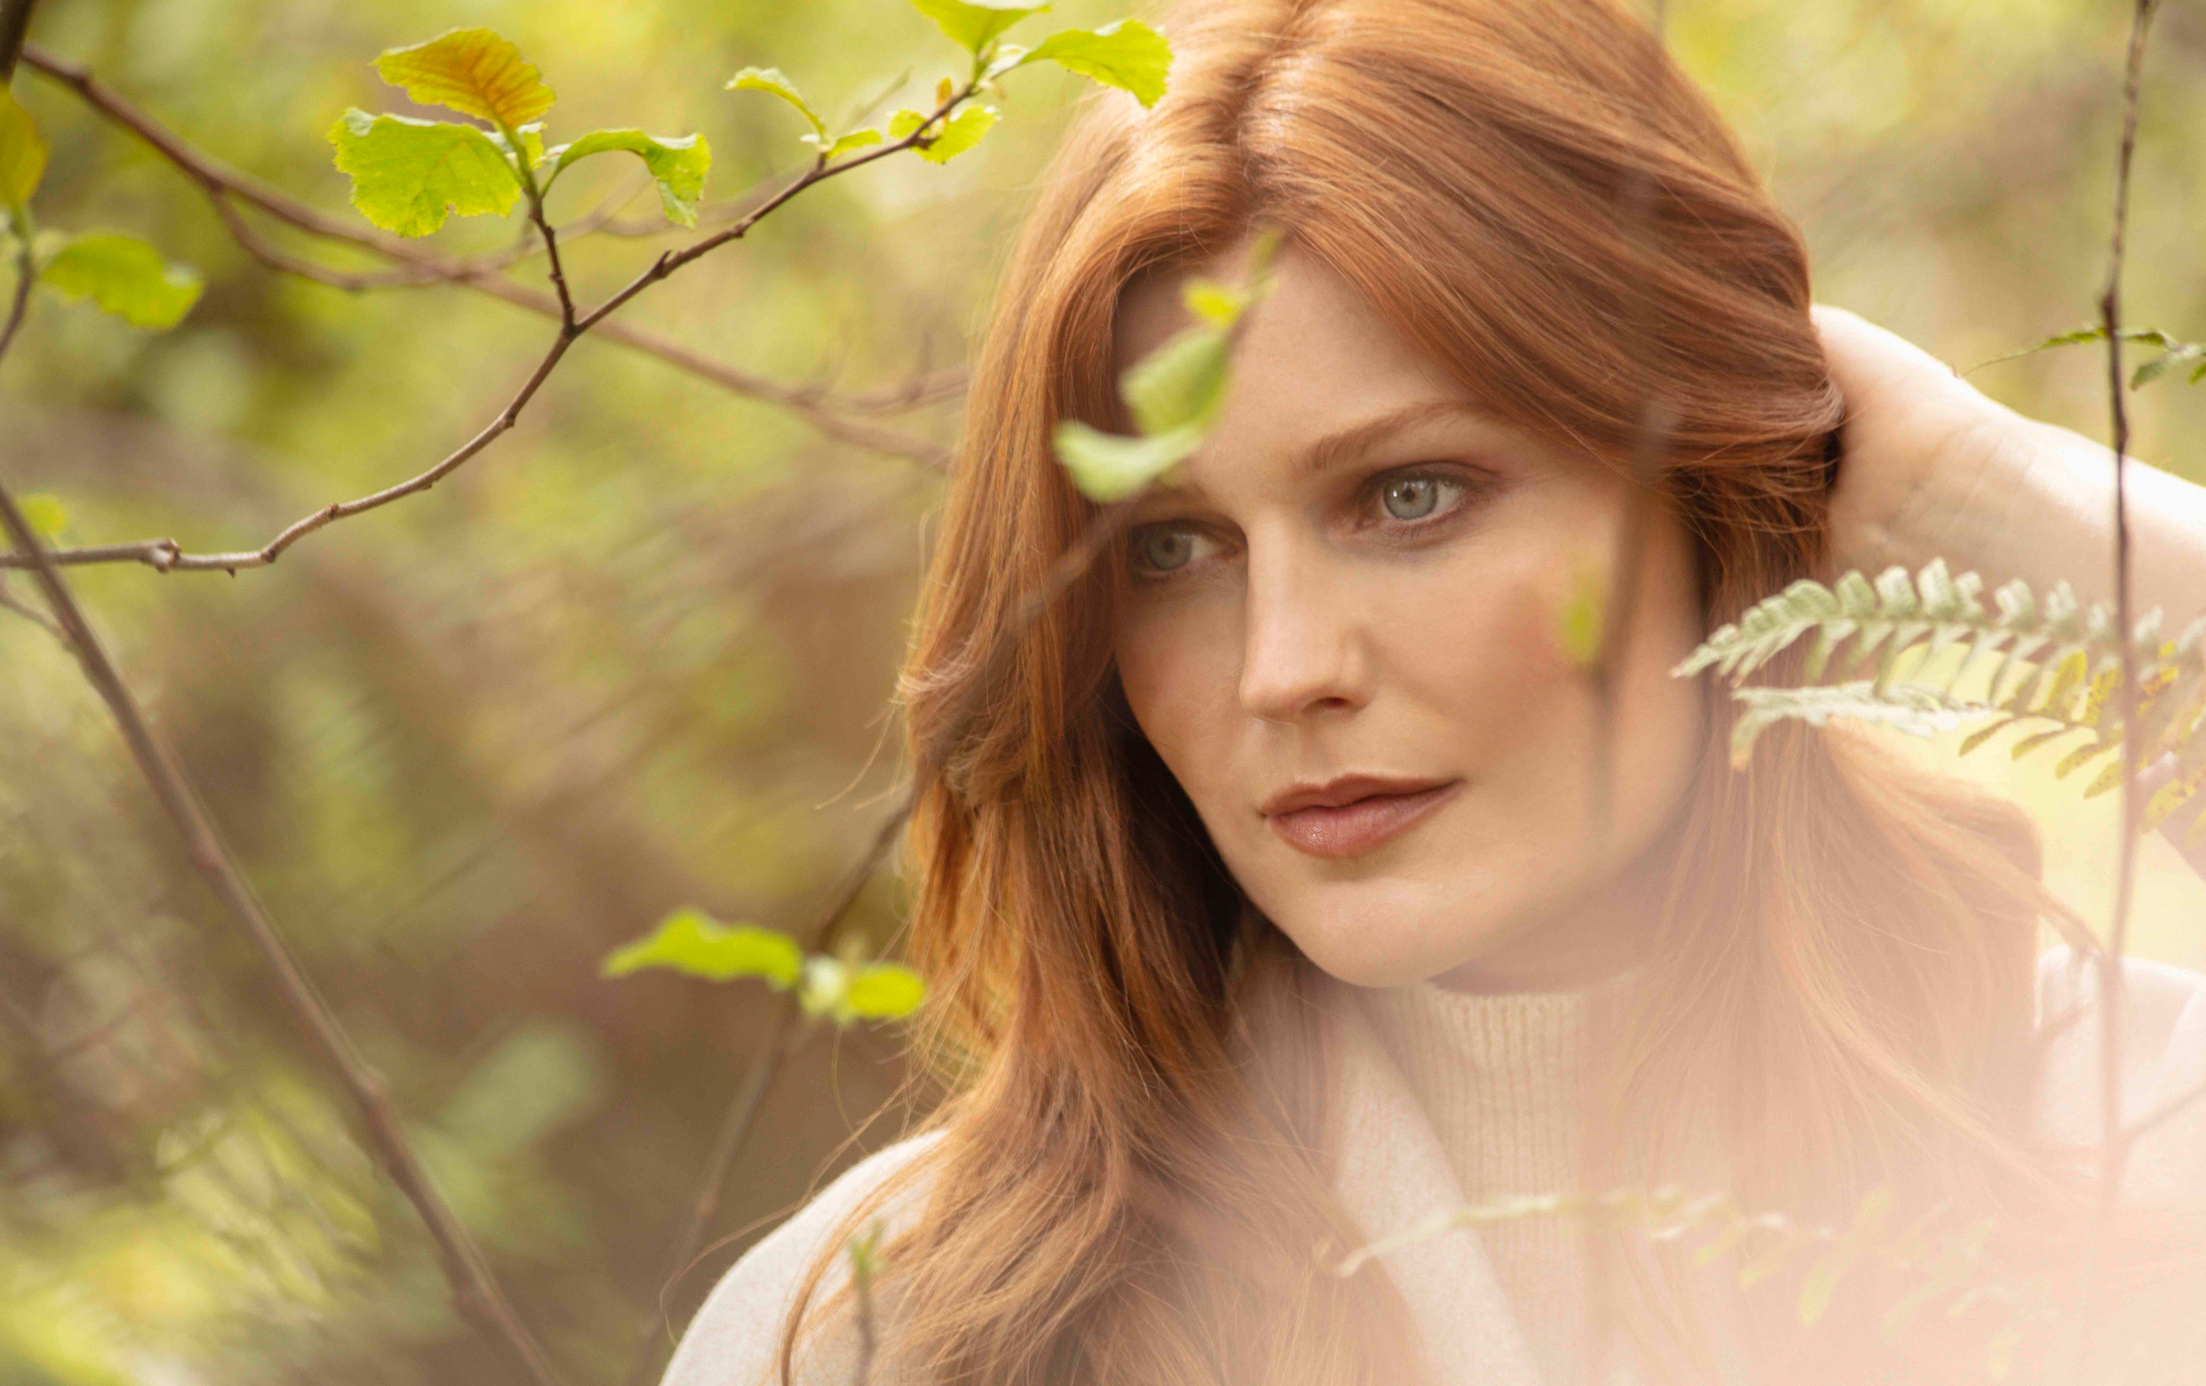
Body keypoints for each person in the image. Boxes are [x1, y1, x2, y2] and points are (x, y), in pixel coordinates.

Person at [659, 0, 2206, 1380]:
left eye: (1408, 497)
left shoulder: (2137, 1144)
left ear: (1708, 495)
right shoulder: (883, 1332)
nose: (1284, 671)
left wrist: (2013, 517)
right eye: (1175, 546)